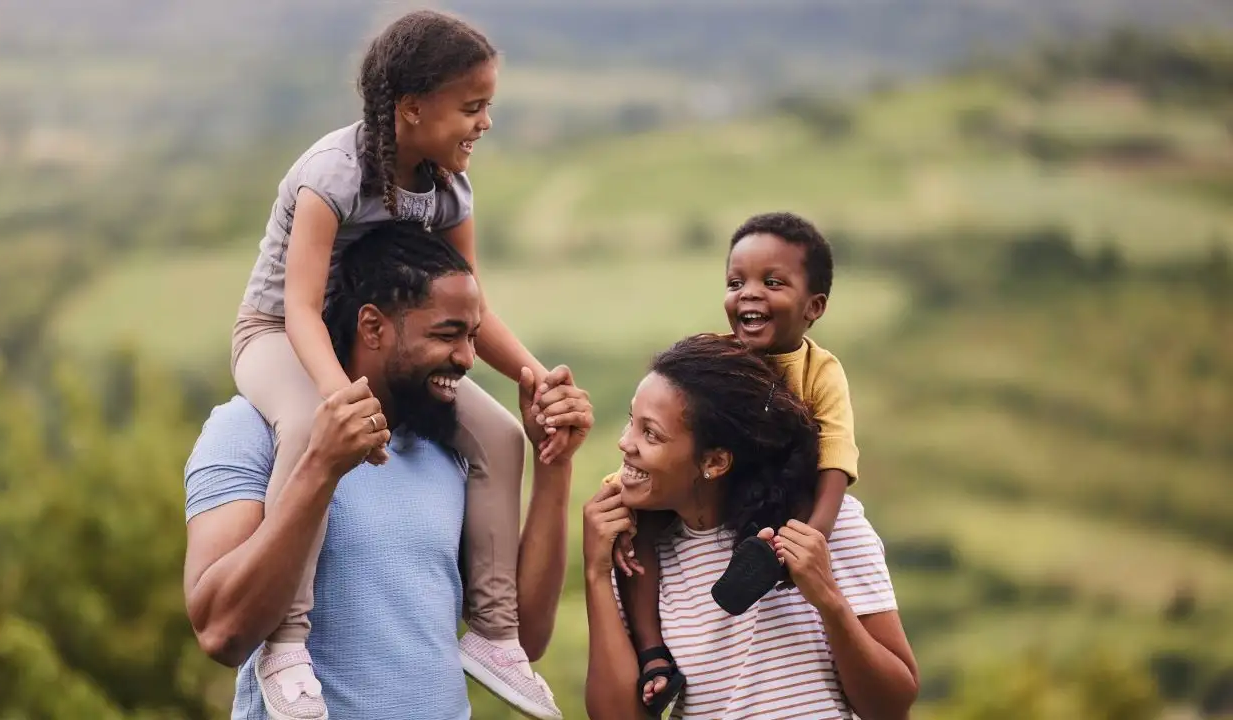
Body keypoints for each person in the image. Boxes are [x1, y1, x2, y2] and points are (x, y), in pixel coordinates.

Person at [230, 9, 573, 719]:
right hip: (278, 336)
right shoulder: (333, 173)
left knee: (503, 437)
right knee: (305, 428)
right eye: (471, 107)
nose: (485, 123)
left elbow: (472, 310)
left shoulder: (449, 189)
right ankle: (288, 641)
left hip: (372, 345)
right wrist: (337, 395)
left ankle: (494, 633)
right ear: (411, 108)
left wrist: (534, 376)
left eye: (489, 107)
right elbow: (297, 308)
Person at [186, 224, 591, 720]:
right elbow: (220, 632)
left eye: (472, 336)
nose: (466, 358)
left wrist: (555, 461)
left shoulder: (453, 449)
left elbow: (523, 637)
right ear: (373, 327)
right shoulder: (249, 430)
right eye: (446, 335)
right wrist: (321, 468)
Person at [583, 334, 918, 720]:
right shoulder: (635, 551)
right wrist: (596, 571)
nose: (626, 443)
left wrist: (828, 598)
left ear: (715, 462)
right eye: (631, 422)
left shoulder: (826, 527)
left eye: (651, 434)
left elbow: (893, 707)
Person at [606, 212, 861, 714]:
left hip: (776, 496)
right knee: (635, 529)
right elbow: (670, 426)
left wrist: (816, 536)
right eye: (735, 281)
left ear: (815, 307)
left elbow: (835, 457)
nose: (749, 293)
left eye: (772, 282)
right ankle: (654, 652)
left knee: (771, 529)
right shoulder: (716, 356)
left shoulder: (820, 372)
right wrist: (622, 492)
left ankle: (766, 562)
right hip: (706, 487)